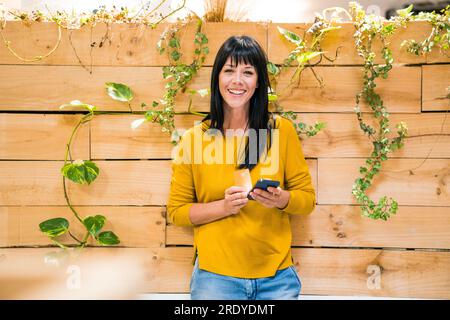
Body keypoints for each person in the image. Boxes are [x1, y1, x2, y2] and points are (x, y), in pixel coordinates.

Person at [167, 35, 316, 300]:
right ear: (217, 79)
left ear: (258, 82)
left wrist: (281, 199)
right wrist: (223, 207)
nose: (237, 80)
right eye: (229, 71)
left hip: (276, 278)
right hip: (214, 279)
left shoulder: (280, 132)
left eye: (248, 72)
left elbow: (306, 200)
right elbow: (177, 212)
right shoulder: (194, 139)